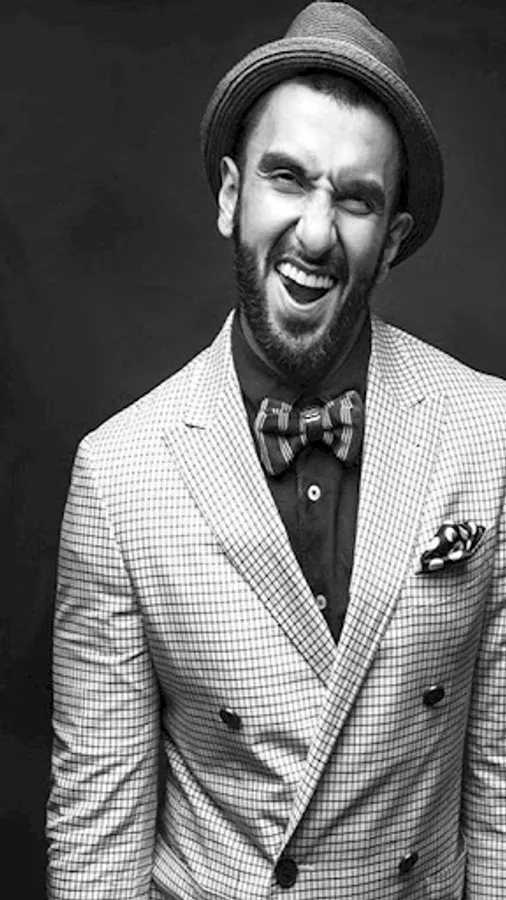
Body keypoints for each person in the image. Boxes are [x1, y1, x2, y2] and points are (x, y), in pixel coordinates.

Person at [46, 3, 506, 898]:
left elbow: (502, 791)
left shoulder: (491, 434)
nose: (316, 233)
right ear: (232, 196)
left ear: (392, 239)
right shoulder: (118, 477)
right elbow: (99, 839)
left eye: (356, 198)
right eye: (287, 178)